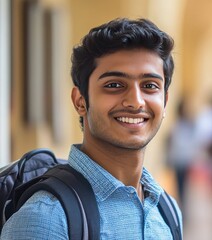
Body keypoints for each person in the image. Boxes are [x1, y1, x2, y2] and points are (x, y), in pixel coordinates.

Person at [1, 18, 182, 239]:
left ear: (165, 101)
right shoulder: (46, 217)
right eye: (114, 85)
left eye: (149, 86)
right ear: (80, 101)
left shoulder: (167, 209)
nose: (136, 102)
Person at [165, 97, 197, 208]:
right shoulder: (177, 126)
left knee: (184, 185)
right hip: (179, 160)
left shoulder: (189, 126)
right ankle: (181, 204)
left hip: (185, 160)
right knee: (180, 185)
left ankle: (183, 204)